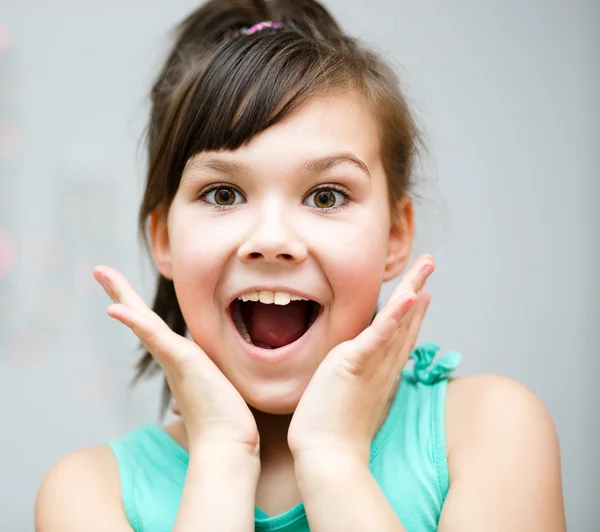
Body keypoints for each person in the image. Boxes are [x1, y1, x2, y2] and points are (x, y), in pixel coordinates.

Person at [35, 1, 566, 530]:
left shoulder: (488, 430)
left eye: (326, 197)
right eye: (223, 194)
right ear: (164, 239)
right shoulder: (89, 494)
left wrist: (332, 459)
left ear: (395, 236)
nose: (271, 240)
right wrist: (221, 454)